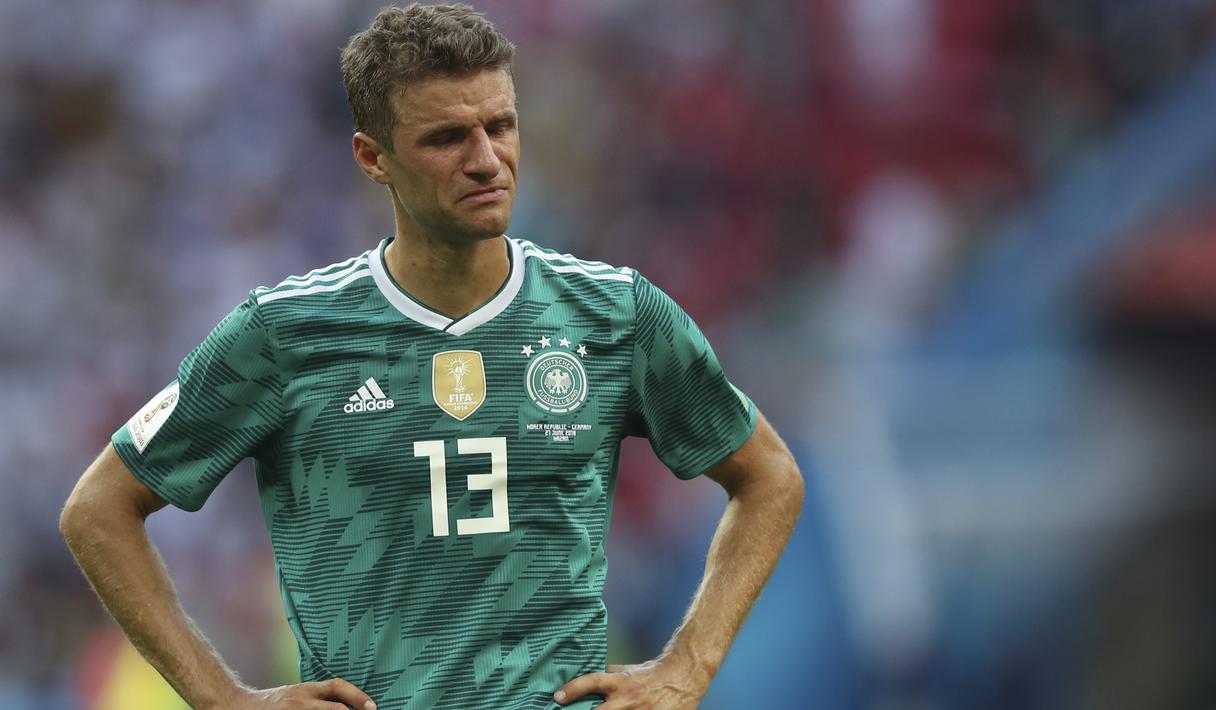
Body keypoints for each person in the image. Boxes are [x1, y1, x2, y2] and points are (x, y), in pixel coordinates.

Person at [59, 3, 804, 709]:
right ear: (372, 157)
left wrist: (690, 664)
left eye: (501, 126)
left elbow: (767, 475)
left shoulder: (614, 315)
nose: (487, 159)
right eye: (447, 138)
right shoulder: (283, 334)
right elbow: (98, 510)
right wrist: (220, 696)